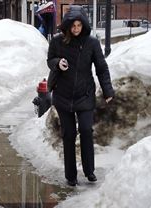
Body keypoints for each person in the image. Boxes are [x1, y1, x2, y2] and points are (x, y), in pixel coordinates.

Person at [47, 5, 115, 186]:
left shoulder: (91, 43)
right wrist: (57, 63)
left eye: (79, 25)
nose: (76, 29)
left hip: (84, 95)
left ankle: (89, 171)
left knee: (86, 130)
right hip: (62, 94)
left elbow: (101, 67)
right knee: (68, 134)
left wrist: (108, 90)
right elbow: (50, 59)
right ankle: (71, 175)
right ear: (68, 25)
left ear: (83, 25)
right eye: (73, 25)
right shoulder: (57, 41)